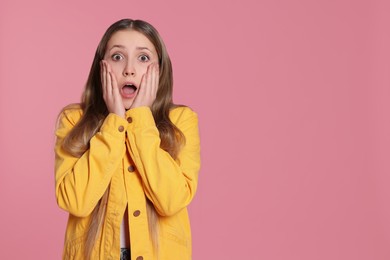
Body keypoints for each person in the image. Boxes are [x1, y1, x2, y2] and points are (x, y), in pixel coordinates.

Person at [54, 18, 201, 260]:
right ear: (101, 67)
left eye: (143, 58)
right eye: (117, 57)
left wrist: (140, 119)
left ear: (160, 70)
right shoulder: (74, 120)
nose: (129, 69)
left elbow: (172, 201)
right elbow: (75, 201)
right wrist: (115, 122)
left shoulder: (181, 121)